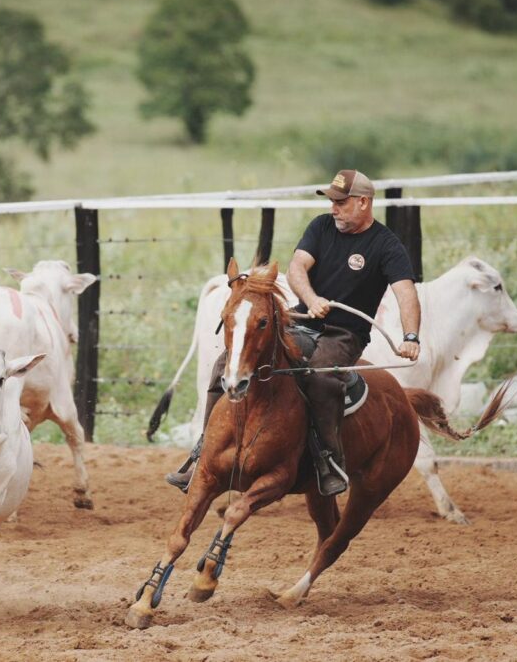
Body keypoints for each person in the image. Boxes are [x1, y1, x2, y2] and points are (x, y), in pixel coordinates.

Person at [166, 169, 421, 496]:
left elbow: (405, 292)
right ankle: (204, 457)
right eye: (332, 201)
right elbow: (298, 267)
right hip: (302, 321)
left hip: (344, 334)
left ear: (363, 202)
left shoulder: (386, 246)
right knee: (224, 365)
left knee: (319, 377)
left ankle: (328, 462)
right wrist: (312, 299)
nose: (334, 208)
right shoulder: (321, 227)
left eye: (341, 202)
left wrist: (411, 336)